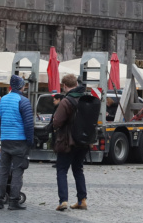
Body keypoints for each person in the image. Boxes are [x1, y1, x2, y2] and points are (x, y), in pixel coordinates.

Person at [0, 74, 34, 210]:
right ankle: (13, 201)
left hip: (6, 140)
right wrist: (30, 141)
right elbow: (28, 124)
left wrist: (3, 133)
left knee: (3, 170)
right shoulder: (23, 101)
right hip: (19, 140)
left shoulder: (3, 100)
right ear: (21, 86)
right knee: (17, 171)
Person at [51, 74, 89, 212]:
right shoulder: (85, 98)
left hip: (68, 141)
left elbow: (57, 122)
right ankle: (82, 200)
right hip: (84, 141)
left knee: (61, 169)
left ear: (65, 86)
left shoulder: (66, 101)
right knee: (78, 169)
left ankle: (63, 201)